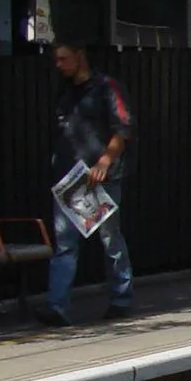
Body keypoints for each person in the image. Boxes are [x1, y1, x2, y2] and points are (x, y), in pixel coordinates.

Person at [43, 41, 133, 325]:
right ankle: (57, 305)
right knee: (65, 243)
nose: (59, 65)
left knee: (109, 238)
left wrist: (105, 161)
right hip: (70, 179)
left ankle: (121, 295)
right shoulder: (66, 92)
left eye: (64, 59)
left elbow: (123, 128)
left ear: (80, 55)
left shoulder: (106, 88)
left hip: (100, 176)